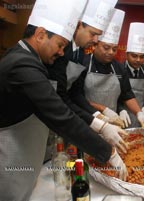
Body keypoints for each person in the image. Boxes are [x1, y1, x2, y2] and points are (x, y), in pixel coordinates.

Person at [0, 1, 127, 201]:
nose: (61, 53)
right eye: (60, 45)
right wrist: (107, 151)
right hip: (10, 159)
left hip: (26, 155)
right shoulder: (22, 64)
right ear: (40, 35)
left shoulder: (29, 59)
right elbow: (60, 115)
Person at [46, 0, 128, 151]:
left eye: (98, 36)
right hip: (52, 115)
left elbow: (75, 92)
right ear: (78, 26)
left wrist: (97, 114)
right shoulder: (61, 50)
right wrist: (97, 123)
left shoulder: (81, 51)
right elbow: (61, 95)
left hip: (67, 113)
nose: (95, 40)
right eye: (93, 34)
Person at [70, 21, 144, 133]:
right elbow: (76, 96)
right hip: (87, 120)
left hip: (113, 123)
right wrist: (103, 110)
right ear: (95, 45)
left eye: (114, 49)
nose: (111, 52)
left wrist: (139, 113)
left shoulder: (118, 68)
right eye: (106, 47)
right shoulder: (82, 63)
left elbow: (127, 94)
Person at [118, 22, 144, 128]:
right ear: (127, 54)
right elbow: (115, 96)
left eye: (142, 57)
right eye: (134, 56)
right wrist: (121, 110)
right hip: (123, 117)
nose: (138, 60)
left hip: (142, 116)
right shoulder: (119, 69)